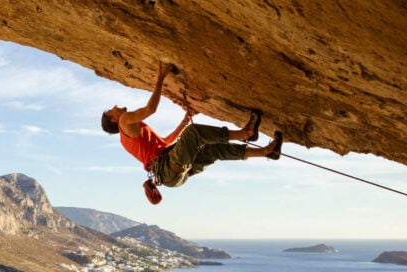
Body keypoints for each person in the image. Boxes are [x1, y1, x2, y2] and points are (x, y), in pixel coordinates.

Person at [101, 61, 283, 200]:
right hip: (167, 168)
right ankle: (246, 133)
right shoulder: (124, 122)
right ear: (113, 119)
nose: (115, 106)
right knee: (195, 134)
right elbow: (150, 110)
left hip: (171, 174)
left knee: (213, 149)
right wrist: (161, 77)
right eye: (112, 110)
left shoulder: (130, 137)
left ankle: (267, 152)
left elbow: (165, 143)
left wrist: (183, 122)